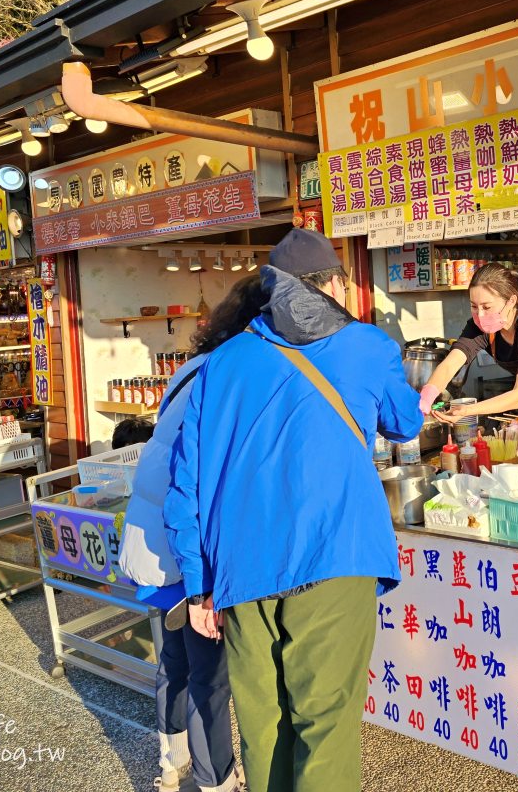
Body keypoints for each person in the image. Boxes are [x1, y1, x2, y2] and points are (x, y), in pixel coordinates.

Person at [164, 229, 422, 792]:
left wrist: (197, 582)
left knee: (263, 729)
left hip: (241, 573)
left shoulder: (220, 362)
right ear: (333, 283)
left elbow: (186, 484)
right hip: (336, 555)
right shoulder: (369, 345)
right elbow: (405, 423)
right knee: (324, 727)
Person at [118, 274, 266, 792]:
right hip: (186, 549)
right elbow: (203, 485)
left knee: (174, 662)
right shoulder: (230, 377)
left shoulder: (191, 369)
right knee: (210, 676)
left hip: (151, 541)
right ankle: (215, 780)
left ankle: (170, 761)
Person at [422, 262, 518, 422]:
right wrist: (425, 399)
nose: (480, 315)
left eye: (487, 307)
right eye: (474, 306)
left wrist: (468, 410)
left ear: (510, 301)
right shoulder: (480, 327)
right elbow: (449, 365)